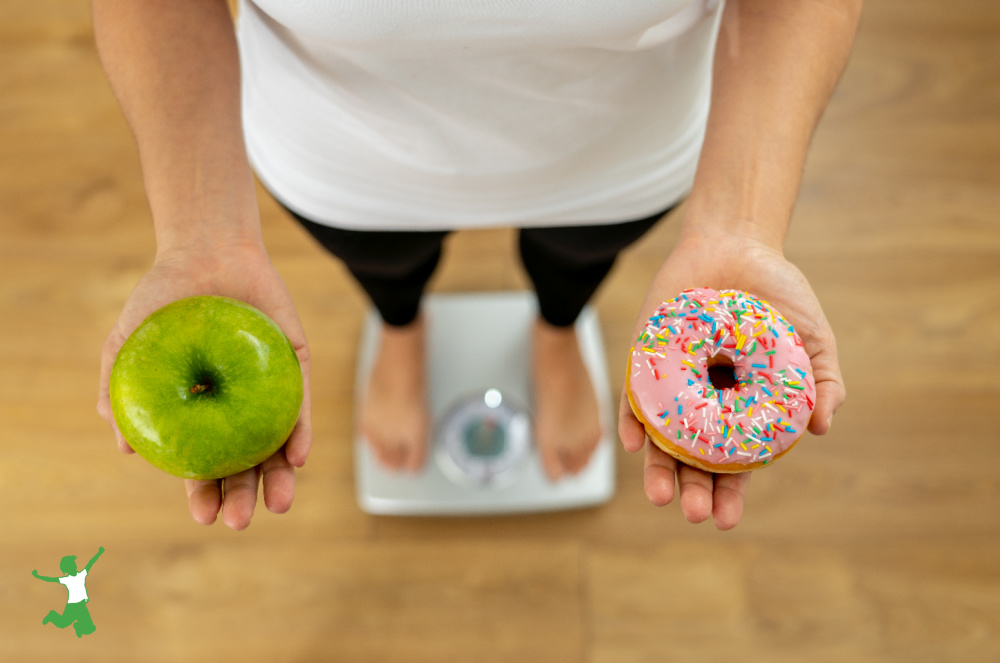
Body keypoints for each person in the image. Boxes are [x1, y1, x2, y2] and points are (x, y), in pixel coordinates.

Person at [93, 0, 855, 531]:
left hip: (619, 153)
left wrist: (743, 224)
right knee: (384, 267)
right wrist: (199, 232)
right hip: (346, 156)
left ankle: (559, 328)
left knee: (578, 263)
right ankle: (399, 326)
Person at [33, 547, 105, 638]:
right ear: (66, 568)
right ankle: (52, 615)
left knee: (90, 628)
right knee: (62, 624)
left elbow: (91, 563)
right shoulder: (66, 579)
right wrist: (38, 576)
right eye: (71, 564)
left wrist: (99, 553)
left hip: (82, 605)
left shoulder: (82, 574)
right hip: (72, 607)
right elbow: (51, 579)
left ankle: (78, 626)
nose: (74, 565)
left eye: (73, 563)